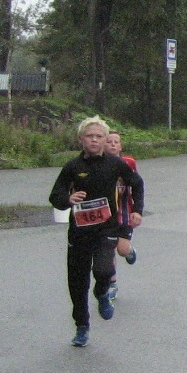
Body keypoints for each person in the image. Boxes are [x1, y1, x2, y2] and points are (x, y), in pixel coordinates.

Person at [49, 116, 144, 347]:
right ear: (81, 140)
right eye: (90, 136)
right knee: (78, 282)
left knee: (103, 270)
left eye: (99, 136)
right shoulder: (73, 167)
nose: (94, 140)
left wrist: (137, 210)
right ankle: (82, 327)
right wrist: (68, 199)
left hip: (106, 228)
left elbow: (137, 183)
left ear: (105, 140)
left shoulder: (115, 164)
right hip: (79, 232)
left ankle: (102, 293)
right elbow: (55, 197)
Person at [103, 130, 139, 301]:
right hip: (106, 218)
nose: (112, 144)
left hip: (124, 215)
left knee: (122, 250)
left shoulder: (129, 163)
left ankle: (131, 251)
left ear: (121, 146)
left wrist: (137, 210)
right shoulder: (97, 165)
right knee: (108, 251)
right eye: (109, 141)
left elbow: (137, 185)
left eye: (116, 142)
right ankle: (112, 284)